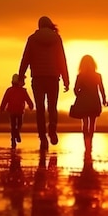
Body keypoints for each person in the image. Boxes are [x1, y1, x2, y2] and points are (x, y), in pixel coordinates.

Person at [18, 16, 70, 151]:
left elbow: (26, 58)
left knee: (40, 109)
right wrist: (66, 79)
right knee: (52, 107)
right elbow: (61, 59)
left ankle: (42, 138)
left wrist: (21, 76)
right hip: (53, 78)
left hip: (38, 78)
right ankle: (52, 130)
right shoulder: (56, 38)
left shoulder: (32, 39)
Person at [72, 55, 106, 150]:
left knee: (85, 123)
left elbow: (75, 89)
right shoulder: (97, 76)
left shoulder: (80, 76)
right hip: (94, 101)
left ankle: (86, 143)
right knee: (92, 123)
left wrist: (79, 96)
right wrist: (104, 99)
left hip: (83, 102)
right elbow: (101, 89)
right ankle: (90, 141)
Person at [0, 74, 34, 149]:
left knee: (15, 125)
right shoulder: (19, 91)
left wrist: (2, 107)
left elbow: (5, 99)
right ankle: (15, 136)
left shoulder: (14, 90)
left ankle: (15, 136)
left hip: (15, 110)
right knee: (17, 124)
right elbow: (5, 99)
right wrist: (31, 105)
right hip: (16, 111)